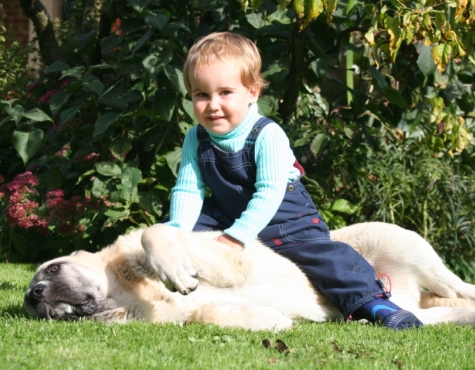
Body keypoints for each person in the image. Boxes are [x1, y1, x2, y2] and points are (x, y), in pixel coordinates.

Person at [163, 31, 422, 329]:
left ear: (252, 91)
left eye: (225, 93)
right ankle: (184, 288)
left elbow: (269, 192)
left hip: (286, 221)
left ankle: (376, 304)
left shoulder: (266, 134)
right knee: (191, 230)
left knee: (326, 259)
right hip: (228, 212)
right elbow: (188, 188)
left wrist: (236, 237)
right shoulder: (196, 138)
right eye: (201, 95)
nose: (212, 105)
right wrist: (177, 234)